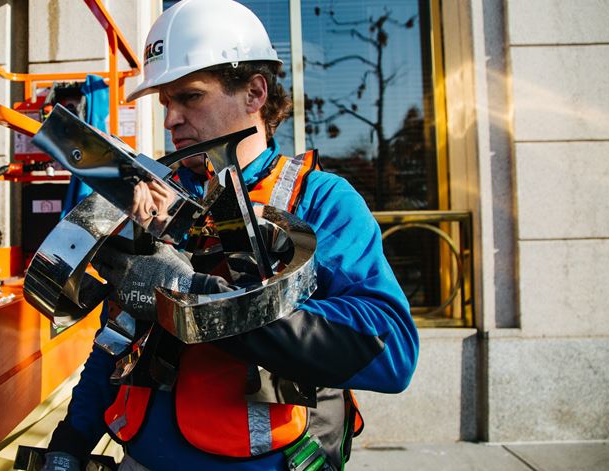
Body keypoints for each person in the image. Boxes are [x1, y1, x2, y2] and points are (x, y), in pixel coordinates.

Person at [42, 0, 419, 469]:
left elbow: (393, 353)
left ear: (255, 93)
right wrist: (69, 443)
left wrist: (194, 296)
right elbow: (116, 340)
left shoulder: (319, 200)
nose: (170, 119)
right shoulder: (162, 201)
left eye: (190, 96)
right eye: (165, 102)